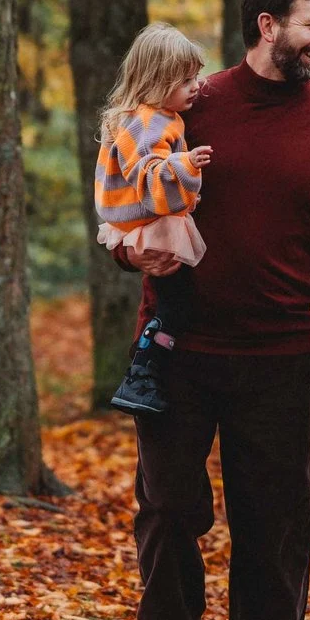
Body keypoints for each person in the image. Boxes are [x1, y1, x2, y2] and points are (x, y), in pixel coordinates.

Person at [124, 0, 310, 620]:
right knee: (168, 512)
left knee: (273, 529)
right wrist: (131, 256)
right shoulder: (192, 104)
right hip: (177, 348)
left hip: (276, 358)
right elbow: (129, 196)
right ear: (267, 24)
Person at [95, 24, 215, 417]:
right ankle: (142, 373)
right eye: (185, 80)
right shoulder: (147, 122)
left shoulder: (161, 116)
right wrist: (186, 162)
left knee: (175, 301)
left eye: (196, 76)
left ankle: (146, 373)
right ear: (155, 81)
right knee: (176, 303)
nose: (196, 86)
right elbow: (148, 173)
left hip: (144, 222)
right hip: (150, 223)